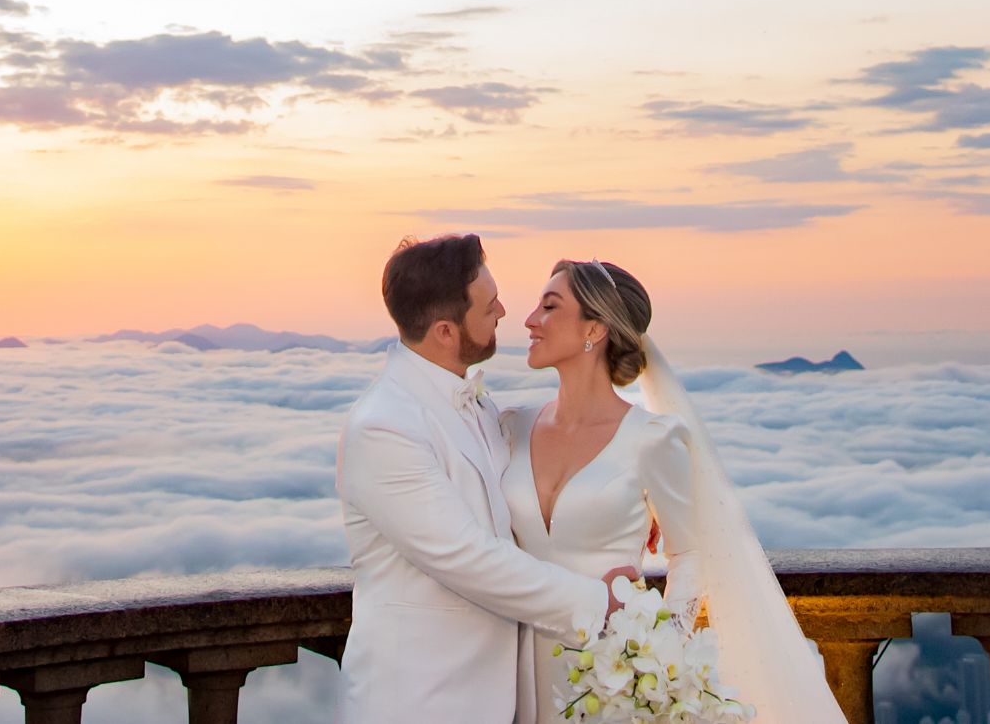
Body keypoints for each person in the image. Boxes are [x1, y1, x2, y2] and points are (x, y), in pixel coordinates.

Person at [503, 258, 845, 724]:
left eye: (549, 306)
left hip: (609, 671)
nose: (529, 320)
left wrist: (662, 654)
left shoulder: (652, 438)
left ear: (595, 329)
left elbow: (690, 554)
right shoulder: (512, 427)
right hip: (510, 664)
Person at [336, 234, 639, 724]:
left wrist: (618, 495)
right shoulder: (384, 426)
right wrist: (594, 603)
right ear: (445, 333)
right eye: (489, 304)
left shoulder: (480, 407)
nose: (504, 311)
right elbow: (467, 557)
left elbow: (525, 485)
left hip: (499, 702)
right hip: (417, 703)